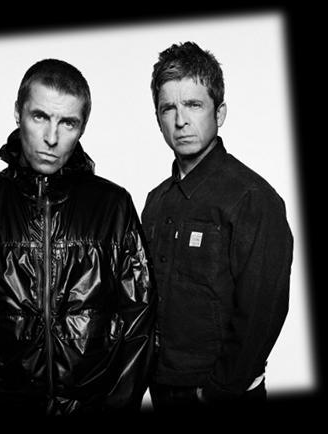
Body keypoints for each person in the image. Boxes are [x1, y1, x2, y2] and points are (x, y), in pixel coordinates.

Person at [0, 58, 156, 425]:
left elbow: (139, 315)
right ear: (18, 113)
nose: (52, 138)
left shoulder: (113, 206)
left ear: (82, 127)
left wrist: (116, 407)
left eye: (67, 123)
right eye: (40, 116)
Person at [141, 42, 293, 410]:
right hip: (162, 387)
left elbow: (263, 310)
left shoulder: (253, 198)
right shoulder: (155, 201)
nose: (180, 120)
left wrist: (219, 390)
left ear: (219, 113)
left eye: (194, 105)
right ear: (158, 119)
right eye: (168, 108)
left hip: (220, 393)